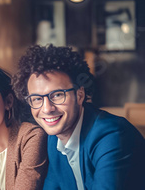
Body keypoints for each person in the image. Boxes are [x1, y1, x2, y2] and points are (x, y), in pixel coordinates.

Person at [12, 44, 145, 189]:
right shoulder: (53, 140)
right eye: (37, 99)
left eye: (57, 95)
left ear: (80, 95)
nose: (47, 109)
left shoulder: (111, 136)